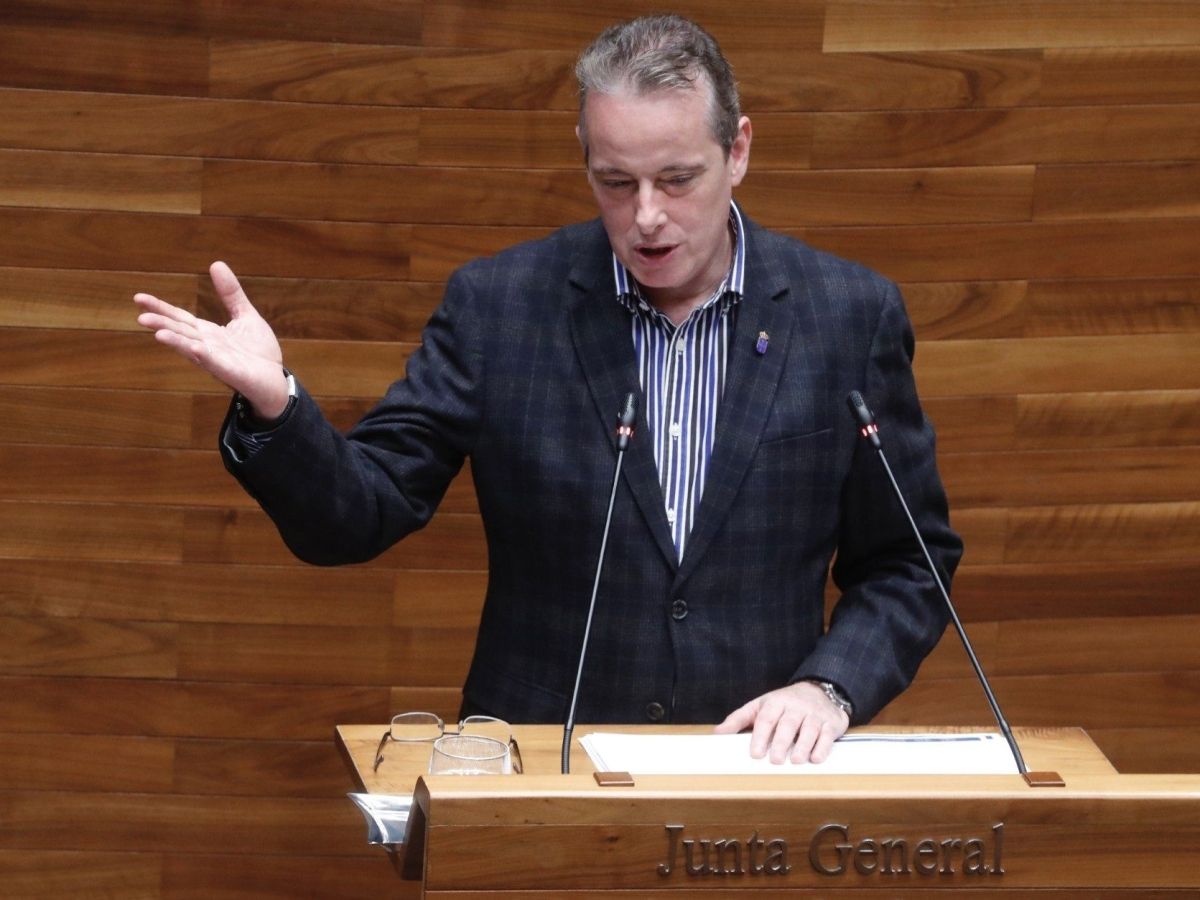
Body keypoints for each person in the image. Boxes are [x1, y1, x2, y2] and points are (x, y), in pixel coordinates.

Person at [135, 15, 961, 766]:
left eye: (677, 179)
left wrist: (828, 688)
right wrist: (277, 405)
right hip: (540, 768)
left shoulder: (847, 316)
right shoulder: (501, 307)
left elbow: (908, 562)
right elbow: (359, 514)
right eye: (616, 182)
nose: (646, 216)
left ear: (738, 149)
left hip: (751, 772)